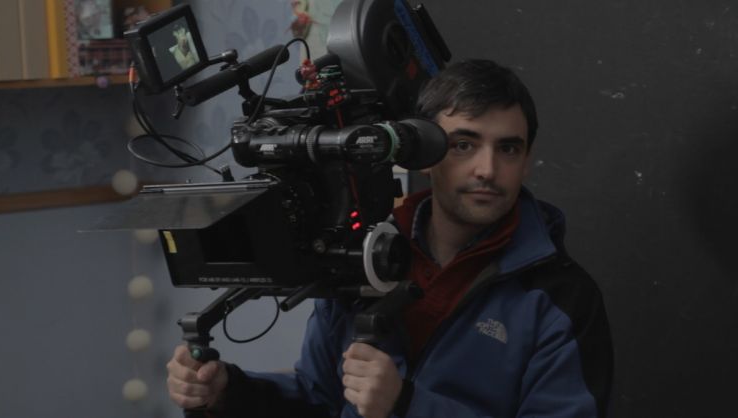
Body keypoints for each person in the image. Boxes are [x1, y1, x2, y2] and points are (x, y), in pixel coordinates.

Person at [166, 59, 614, 418]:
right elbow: (318, 399)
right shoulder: (359, 257)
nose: (487, 169)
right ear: (424, 152)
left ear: (527, 160)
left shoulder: (562, 299)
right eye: (463, 144)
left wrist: (404, 405)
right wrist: (229, 393)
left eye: (508, 148)